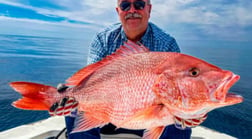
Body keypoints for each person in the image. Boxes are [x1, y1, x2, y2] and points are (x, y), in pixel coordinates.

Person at [50, 0, 207, 138]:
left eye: (139, 4)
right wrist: (69, 95)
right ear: (118, 11)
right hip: (107, 115)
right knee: (74, 109)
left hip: (149, 120)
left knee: (181, 119)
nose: (132, 10)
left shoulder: (167, 44)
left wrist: (194, 113)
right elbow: (89, 80)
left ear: (149, 9)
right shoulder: (102, 39)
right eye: (125, 5)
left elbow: (182, 85)